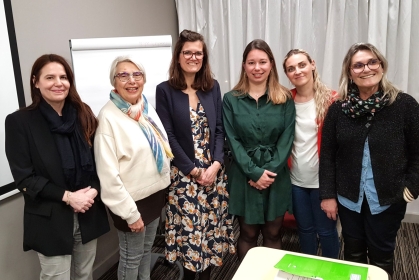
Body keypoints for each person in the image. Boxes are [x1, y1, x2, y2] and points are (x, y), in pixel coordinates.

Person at [319, 43, 419, 276]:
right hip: (348, 198)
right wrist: (328, 195)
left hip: (388, 199)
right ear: (350, 72)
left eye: (372, 62)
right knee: (352, 254)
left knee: (381, 255)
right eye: (358, 65)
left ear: (381, 66)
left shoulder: (404, 105)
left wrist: (410, 189)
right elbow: (328, 155)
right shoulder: (339, 109)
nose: (366, 69)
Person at [5, 54, 110, 280]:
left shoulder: (84, 113)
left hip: (87, 209)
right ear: (36, 82)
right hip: (50, 216)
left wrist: (93, 190)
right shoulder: (20, 122)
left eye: (63, 77)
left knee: (84, 274)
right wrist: (69, 197)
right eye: (50, 77)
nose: (58, 82)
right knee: (56, 277)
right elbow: (24, 178)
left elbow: (100, 162)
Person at [155, 29, 235, 280]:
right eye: (187, 52)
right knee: (190, 245)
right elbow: (168, 136)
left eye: (198, 53)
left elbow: (220, 129)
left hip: (214, 177)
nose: (193, 57)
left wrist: (216, 164)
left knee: (210, 242)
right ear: (178, 56)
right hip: (185, 180)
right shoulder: (165, 90)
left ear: (204, 57)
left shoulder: (212, 88)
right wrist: (193, 169)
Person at [94, 56, 173, 280]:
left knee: (146, 251)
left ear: (144, 80)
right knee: (131, 258)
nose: (131, 80)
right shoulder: (108, 117)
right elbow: (108, 176)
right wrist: (130, 214)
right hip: (131, 203)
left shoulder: (144, 108)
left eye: (136, 74)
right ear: (114, 82)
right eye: (123, 75)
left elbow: (160, 146)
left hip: (154, 195)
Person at [222, 39, 296, 261]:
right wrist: (254, 173)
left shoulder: (285, 98)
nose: (257, 67)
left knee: (273, 233)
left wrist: (268, 173)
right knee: (248, 233)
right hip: (244, 175)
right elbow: (232, 140)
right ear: (244, 65)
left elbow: (287, 139)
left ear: (271, 64)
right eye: (251, 62)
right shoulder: (230, 100)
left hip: (276, 175)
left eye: (262, 62)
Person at [282, 49, 340, 259]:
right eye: (291, 68)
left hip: (322, 184)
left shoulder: (333, 100)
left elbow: (339, 150)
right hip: (296, 181)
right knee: (304, 231)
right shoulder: (285, 100)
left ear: (312, 64)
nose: (297, 71)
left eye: (302, 65)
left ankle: (331, 272)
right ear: (287, 74)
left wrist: (331, 193)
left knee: (326, 232)